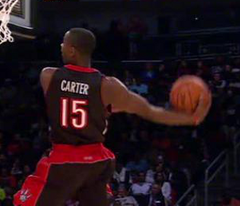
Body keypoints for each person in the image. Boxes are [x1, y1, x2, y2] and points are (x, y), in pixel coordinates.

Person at [13, 28, 212, 206]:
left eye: (64, 43)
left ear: (72, 50)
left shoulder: (48, 76)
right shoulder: (109, 86)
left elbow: (70, 94)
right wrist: (191, 118)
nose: (60, 46)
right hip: (97, 161)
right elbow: (150, 111)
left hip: (64, 159)